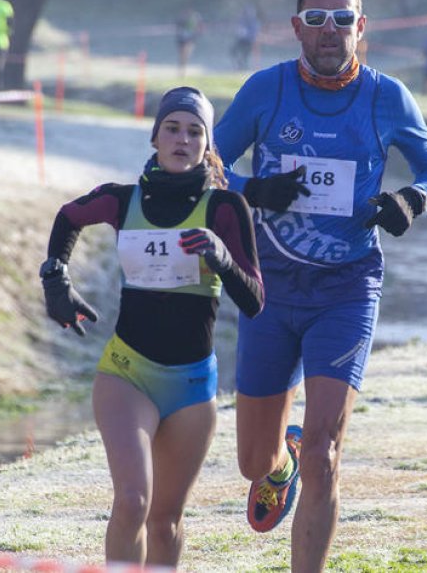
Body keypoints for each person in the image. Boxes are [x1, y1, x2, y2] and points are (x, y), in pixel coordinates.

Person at [213, 0, 427, 571]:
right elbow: (206, 167)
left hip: (347, 288)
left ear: (361, 27)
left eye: (343, 19)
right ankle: (280, 461)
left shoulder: (386, 96)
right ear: (296, 27)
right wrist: (254, 190)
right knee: (251, 462)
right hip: (269, 285)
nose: (330, 31)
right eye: (316, 19)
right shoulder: (265, 91)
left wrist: (410, 200)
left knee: (327, 451)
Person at [39, 87, 264, 567]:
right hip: (127, 374)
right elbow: (69, 216)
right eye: (173, 128)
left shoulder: (225, 209)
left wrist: (222, 258)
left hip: (191, 386)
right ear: (155, 136)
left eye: (195, 131)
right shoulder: (123, 201)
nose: (182, 138)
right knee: (132, 502)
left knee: (165, 522)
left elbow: (255, 301)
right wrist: (55, 277)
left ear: (208, 145)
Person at [231, 5, 260, 70]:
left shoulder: (254, 22)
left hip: (248, 41)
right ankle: (239, 65)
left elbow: (254, 32)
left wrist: (246, 34)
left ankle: (243, 67)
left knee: (245, 55)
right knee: (233, 51)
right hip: (241, 40)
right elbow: (238, 29)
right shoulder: (242, 20)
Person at [175, 8, 203, 77]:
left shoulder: (195, 17)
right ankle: (182, 71)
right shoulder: (182, 18)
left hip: (189, 39)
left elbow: (199, 28)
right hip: (183, 39)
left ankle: (182, 71)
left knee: (185, 56)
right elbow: (178, 28)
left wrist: (197, 34)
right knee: (183, 56)